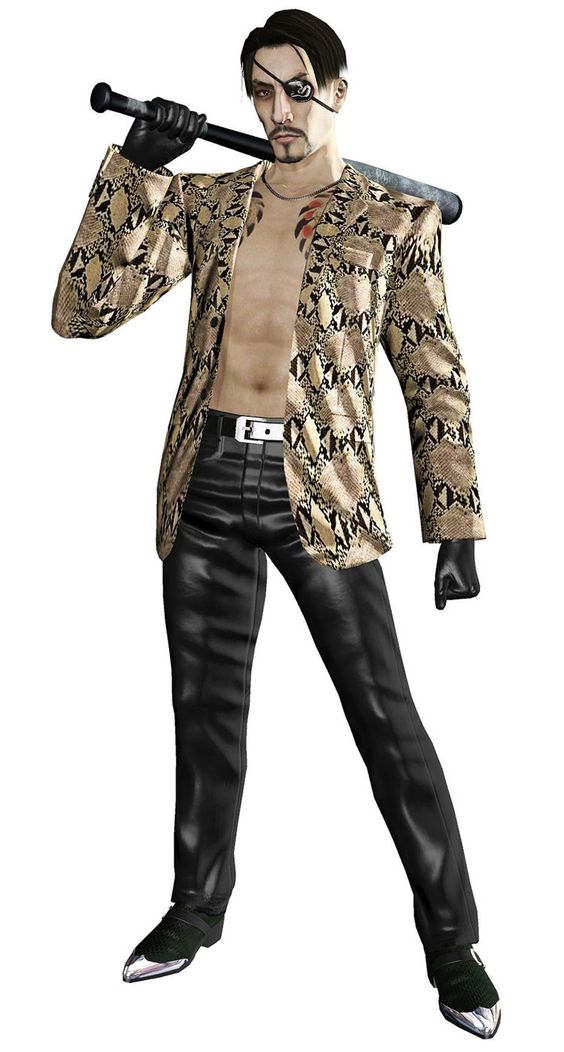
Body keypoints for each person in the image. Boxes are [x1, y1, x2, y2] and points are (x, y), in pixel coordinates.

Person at [51, 7, 500, 1039]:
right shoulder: (210, 204)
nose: (278, 109)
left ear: (339, 89)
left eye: (298, 88)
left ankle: (453, 944)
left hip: (324, 497)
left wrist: (456, 525)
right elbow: (82, 312)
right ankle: (195, 905)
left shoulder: (394, 220)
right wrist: (137, 169)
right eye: (261, 89)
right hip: (206, 480)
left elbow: (434, 378)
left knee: (386, 721)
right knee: (204, 714)